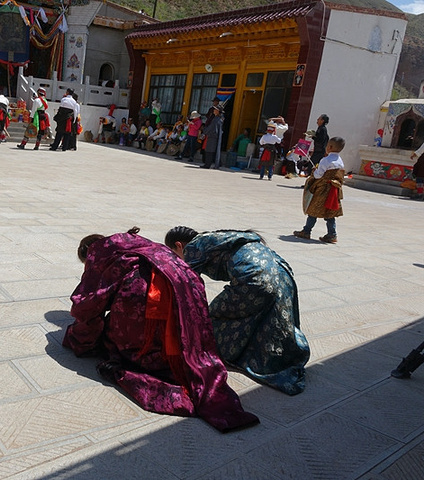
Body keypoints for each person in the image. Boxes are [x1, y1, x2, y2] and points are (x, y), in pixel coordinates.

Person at [64, 227, 260, 432]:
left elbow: (88, 306)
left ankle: (149, 356)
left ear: (88, 255)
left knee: (119, 330)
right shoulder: (134, 244)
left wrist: (78, 338)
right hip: (188, 285)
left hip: (149, 298)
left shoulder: (100, 253)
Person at [165, 226, 310, 395]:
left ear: (179, 245)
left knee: (213, 316)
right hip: (282, 273)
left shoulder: (193, 247)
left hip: (256, 280)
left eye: (174, 253)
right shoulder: (218, 238)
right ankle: (278, 358)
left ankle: (233, 353)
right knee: (269, 319)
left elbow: (187, 282)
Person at [293, 137, 346, 243]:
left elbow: (318, 176)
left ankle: (306, 231)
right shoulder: (340, 161)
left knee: (313, 210)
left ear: (329, 147)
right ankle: (332, 234)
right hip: (333, 190)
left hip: (322, 189)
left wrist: (315, 170)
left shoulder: (325, 160)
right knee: (330, 213)